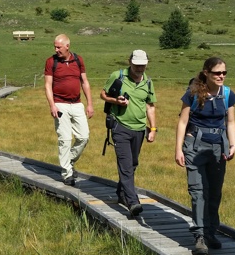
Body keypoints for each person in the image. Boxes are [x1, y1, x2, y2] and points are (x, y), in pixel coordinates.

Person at [174, 57, 235, 255]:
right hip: (195, 146)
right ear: (206, 73)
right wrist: (178, 149)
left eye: (224, 73)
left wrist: (233, 144)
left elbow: (231, 121)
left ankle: (211, 232)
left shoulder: (227, 94)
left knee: (215, 192)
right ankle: (199, 235)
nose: (221, 76)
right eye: (217, 73)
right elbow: (183, 122)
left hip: (219, 148)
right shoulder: (193, 93)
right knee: (198, 191)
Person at [99, 49, 157, 217]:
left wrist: (152, 128)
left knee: (132, 164)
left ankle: (122, 193)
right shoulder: (118, 76)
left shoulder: (148, 82)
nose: (140, 68)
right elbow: (103, 94)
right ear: (130, 62)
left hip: (139, 128)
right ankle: (133, 202)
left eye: (143, 65)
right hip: (120, 126)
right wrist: (115, 100)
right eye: (137, 65)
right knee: (125, 164)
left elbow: (150, 106)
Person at [44, 34, 94, 186]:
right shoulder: (51, 62)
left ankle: (69, 160)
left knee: (84, 137)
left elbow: (85, 82)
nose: (56, 49)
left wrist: (90, 104)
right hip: (60, 104)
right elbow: (47, 85)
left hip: (77, 104)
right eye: (55, 47)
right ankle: (67, 174)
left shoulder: (78, 60)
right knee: (65, 139)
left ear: (67, 46)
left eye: (58, 47)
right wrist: (52, 104)